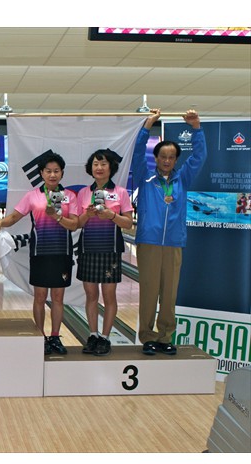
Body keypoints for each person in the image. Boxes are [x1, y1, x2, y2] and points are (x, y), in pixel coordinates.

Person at [133, 109, 206, 355]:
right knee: (149, 292)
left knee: (169, 293)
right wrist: (146, 127)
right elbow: (135, 155)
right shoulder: (145, 178)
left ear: (176, 160)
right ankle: (147, 336)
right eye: (162, 156)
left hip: (174, 242)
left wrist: (196, 128)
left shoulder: (182, 180)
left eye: (171, 156)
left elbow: (199, 156)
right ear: (155, 158)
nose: (167, 160)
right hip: (149, 242)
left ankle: (165, 336)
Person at [0, 151, 78, 354]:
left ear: (62, 173)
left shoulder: (69, 197)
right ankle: (40, 336)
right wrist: (0, 223)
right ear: (41, 173)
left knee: (57, 297)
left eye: (56, 171)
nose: (52, 175)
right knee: (39, 296)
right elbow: (14, 216)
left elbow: (73, 225)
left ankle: (55, 337)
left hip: (62, 253)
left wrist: (57, 217)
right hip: (39, 253)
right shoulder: (33, 196)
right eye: (48, 171)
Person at [75, 149, 134, 356]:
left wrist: (111, 215)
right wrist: (86, 215)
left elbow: (127, 223)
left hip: (110, 250)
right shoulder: (83, 193)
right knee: (91, 294)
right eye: (95, 164)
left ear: (111, 168)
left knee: (109, 295)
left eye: (103, 164)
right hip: (88, 249)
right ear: (90, 168)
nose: (99, 168)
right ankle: (93, 334)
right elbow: (76, 224)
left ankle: (106, 338)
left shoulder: (121, 192)